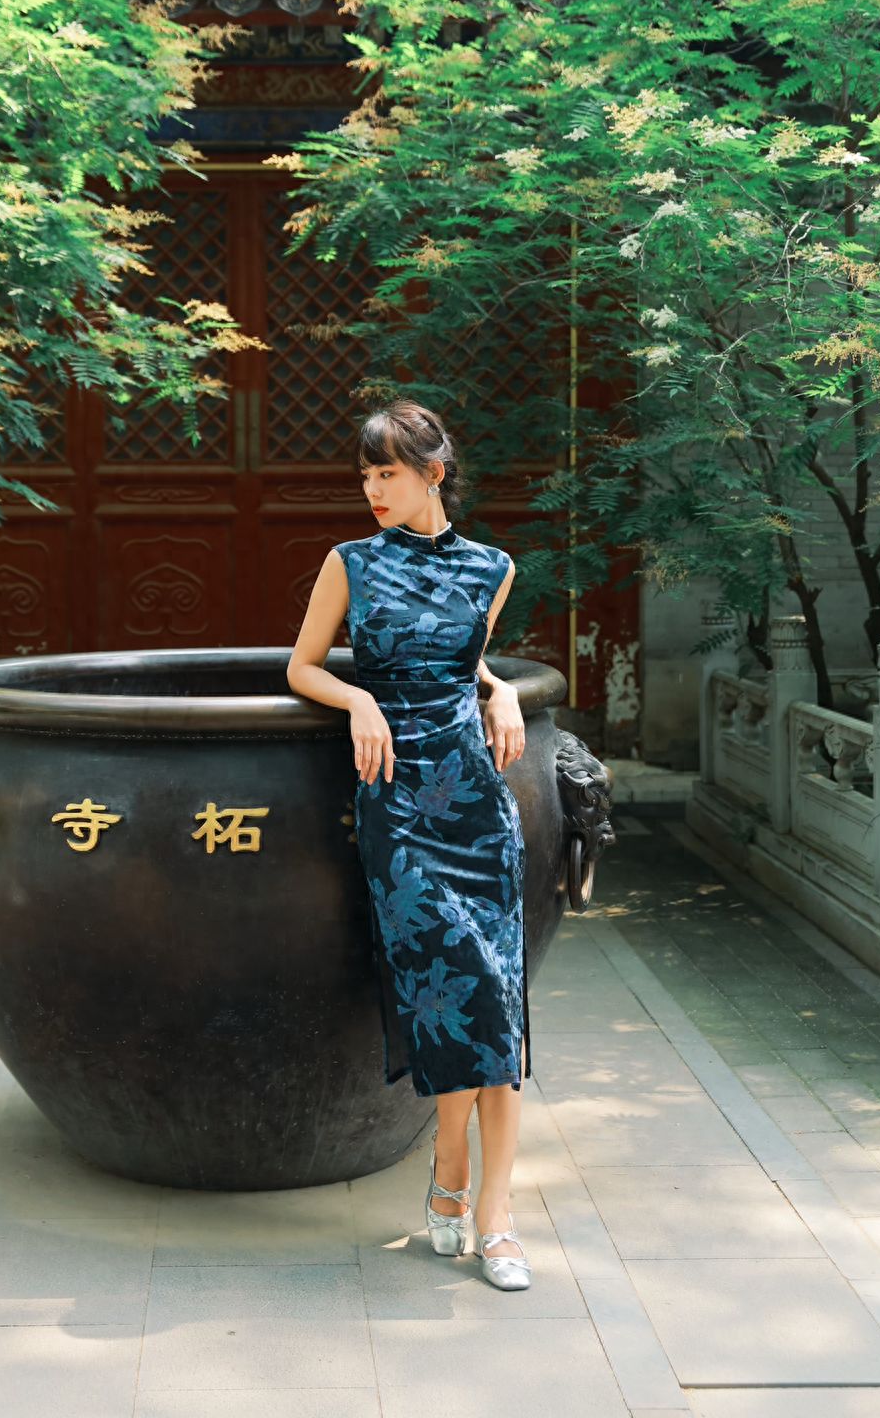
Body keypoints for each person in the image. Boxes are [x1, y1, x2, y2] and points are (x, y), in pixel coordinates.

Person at [286, 397, 533, 1292]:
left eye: (386, 472)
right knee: (450, 991)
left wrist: (503, 690)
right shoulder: (349, 563)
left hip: (476, 808)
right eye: (365, 474)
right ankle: (450, 1162)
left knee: (498, 1004)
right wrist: (358, 698)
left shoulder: (494, 568)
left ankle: (491, 1214)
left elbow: (463, 658)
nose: (372, 489)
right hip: (397, 806)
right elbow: (302, 665)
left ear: (434, 473)